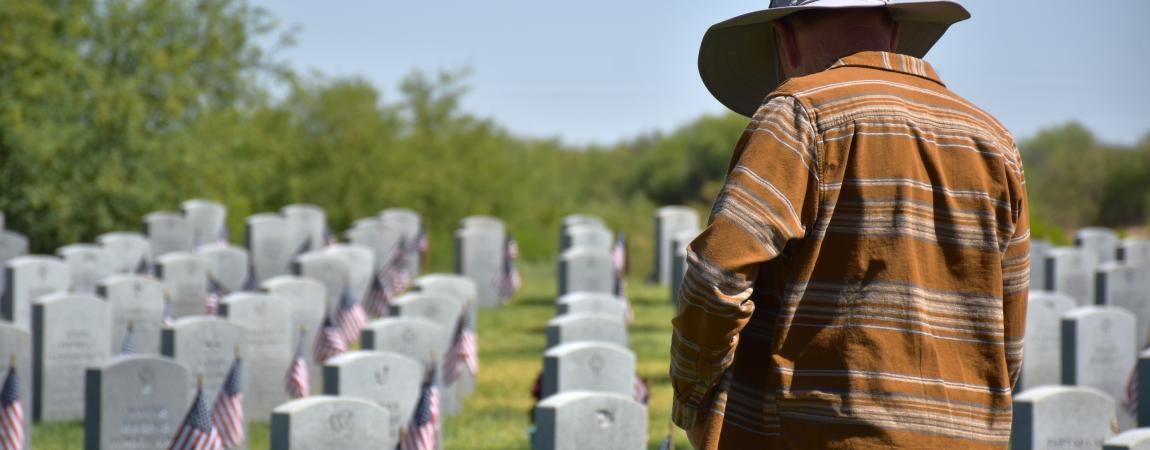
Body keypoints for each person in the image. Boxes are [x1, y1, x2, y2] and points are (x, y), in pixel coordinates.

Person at [670, 1, 1029, 449]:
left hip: (822, 435)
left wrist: (692, 395)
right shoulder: (994, 140)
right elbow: (1007, 334)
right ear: (895, 33)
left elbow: (717, 276)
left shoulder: (798, 115)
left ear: (784, 39)